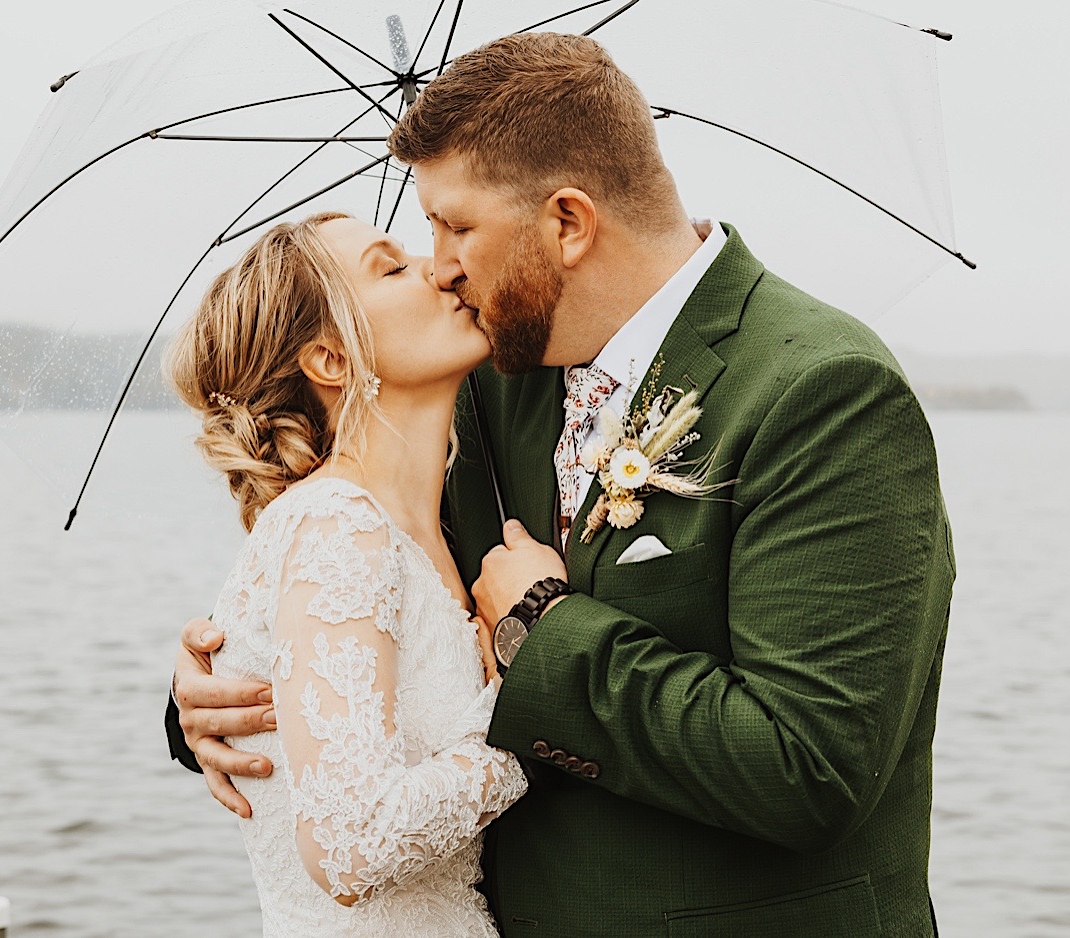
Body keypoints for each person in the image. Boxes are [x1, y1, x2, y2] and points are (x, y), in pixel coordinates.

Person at [171, 33, 954, 937]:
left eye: (456, 226)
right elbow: (357, 613)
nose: (441, 266)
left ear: (569, 223)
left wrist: (543, 627)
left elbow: (810, 766)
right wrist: (220, 694)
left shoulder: (823, 391)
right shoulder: (481, 382)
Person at [166, 210, 527, 936]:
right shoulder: (338, 524)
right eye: (390, 267)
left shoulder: (418, 531)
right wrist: (533, 708)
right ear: (331, 359)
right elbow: (349, 845)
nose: (438, 267)